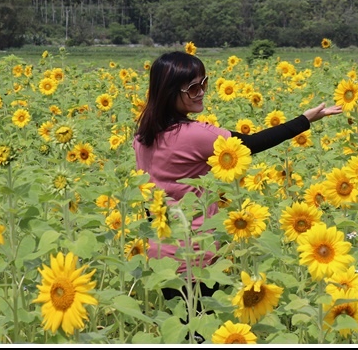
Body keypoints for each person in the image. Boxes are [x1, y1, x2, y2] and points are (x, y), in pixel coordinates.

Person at [133, 51, 342, 299]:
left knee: (183, 327)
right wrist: (304, 120)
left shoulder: (142, 137)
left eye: (204, 83)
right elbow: (251, 143)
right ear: (170, 93)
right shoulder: (194, 134)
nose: (201, 92)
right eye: (192, 88)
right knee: (202, 327)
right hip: (197, 253)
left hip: (161, 254)